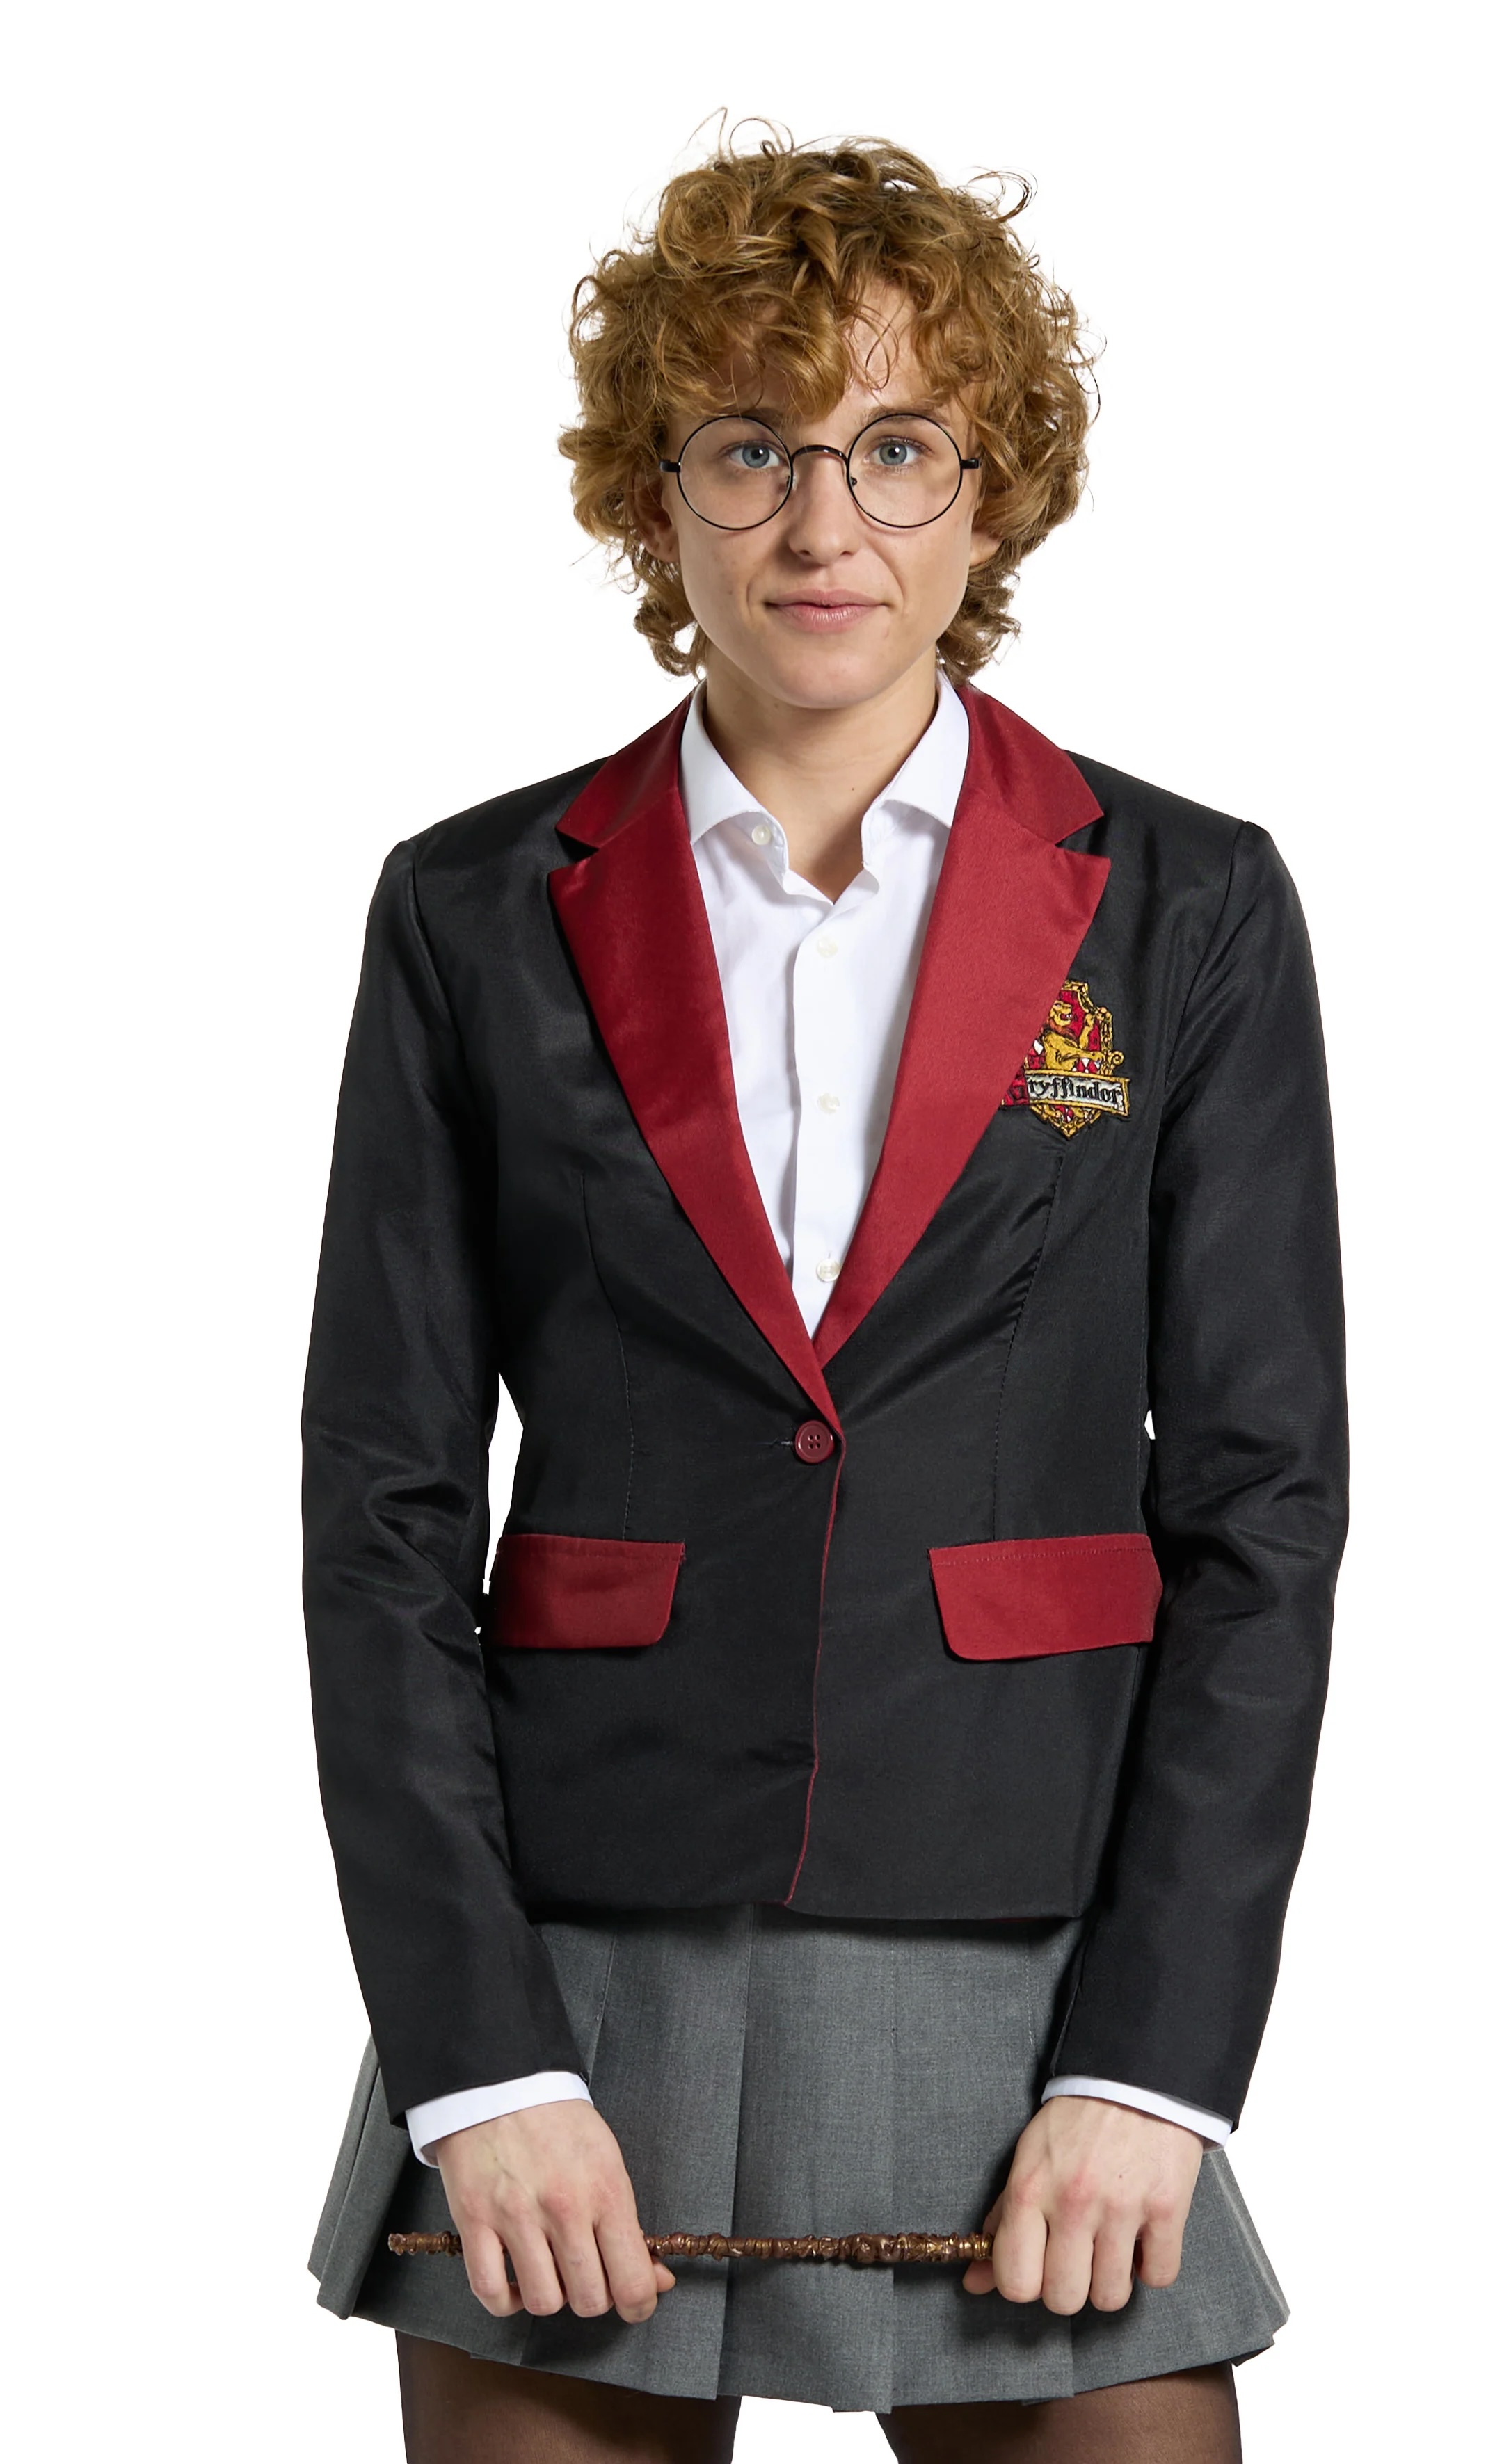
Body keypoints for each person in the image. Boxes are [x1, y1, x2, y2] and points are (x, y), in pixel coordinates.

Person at [303, 131, 1347, 2464]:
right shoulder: (470, 908)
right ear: (652, 497)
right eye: (748, 447)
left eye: (895, 447)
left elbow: (1263, 1514)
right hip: (569, 1958)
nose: (820, 521)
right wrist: (475, 2059)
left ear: (990, 495)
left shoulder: (1184, 905)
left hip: (1035, 1933)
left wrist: (1154, 2064)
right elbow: (378, 1513)